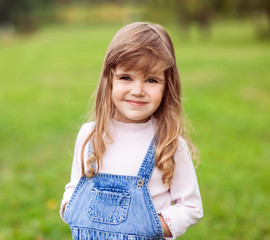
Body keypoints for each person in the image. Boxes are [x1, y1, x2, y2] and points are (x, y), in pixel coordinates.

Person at [60, 22, 203, 239]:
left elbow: (191, 207)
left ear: (167, 87)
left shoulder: (169, 143)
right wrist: (69, 208)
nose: (137, 91)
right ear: (110, 79)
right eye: (126, 77)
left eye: (152, 80)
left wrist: (152, 226)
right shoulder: (90, 135)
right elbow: (75, 186)